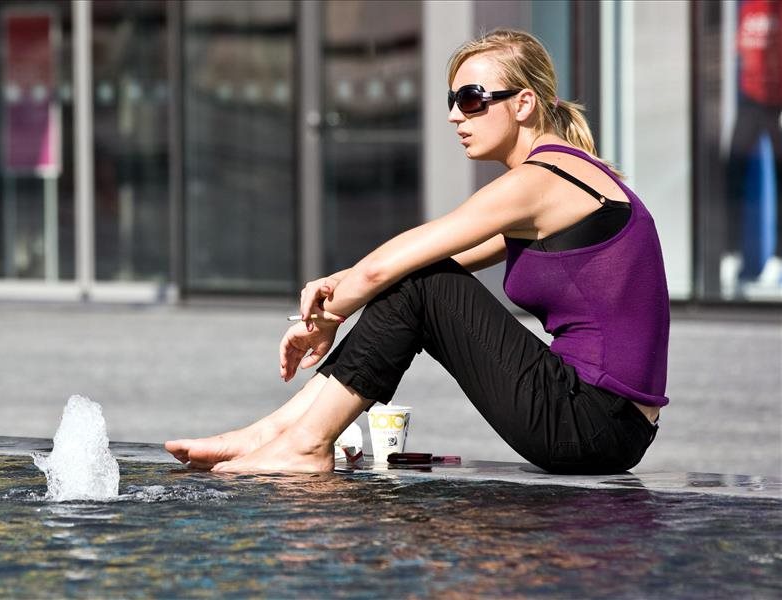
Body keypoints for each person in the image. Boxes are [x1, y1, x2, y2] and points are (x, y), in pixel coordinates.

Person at [166, 28, 668, 475]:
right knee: (419, 277)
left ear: (523, 103)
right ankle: (277, 433)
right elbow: (417, 260)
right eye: (452, 100)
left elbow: (402, 267)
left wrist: (327, 317)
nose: (454, 115)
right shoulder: (562, 179)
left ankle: (304, 442)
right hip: (606, 425)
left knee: (422, 286)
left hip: (591, 421)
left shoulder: (540, 180)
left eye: (471, 100)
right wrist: (340, 283)